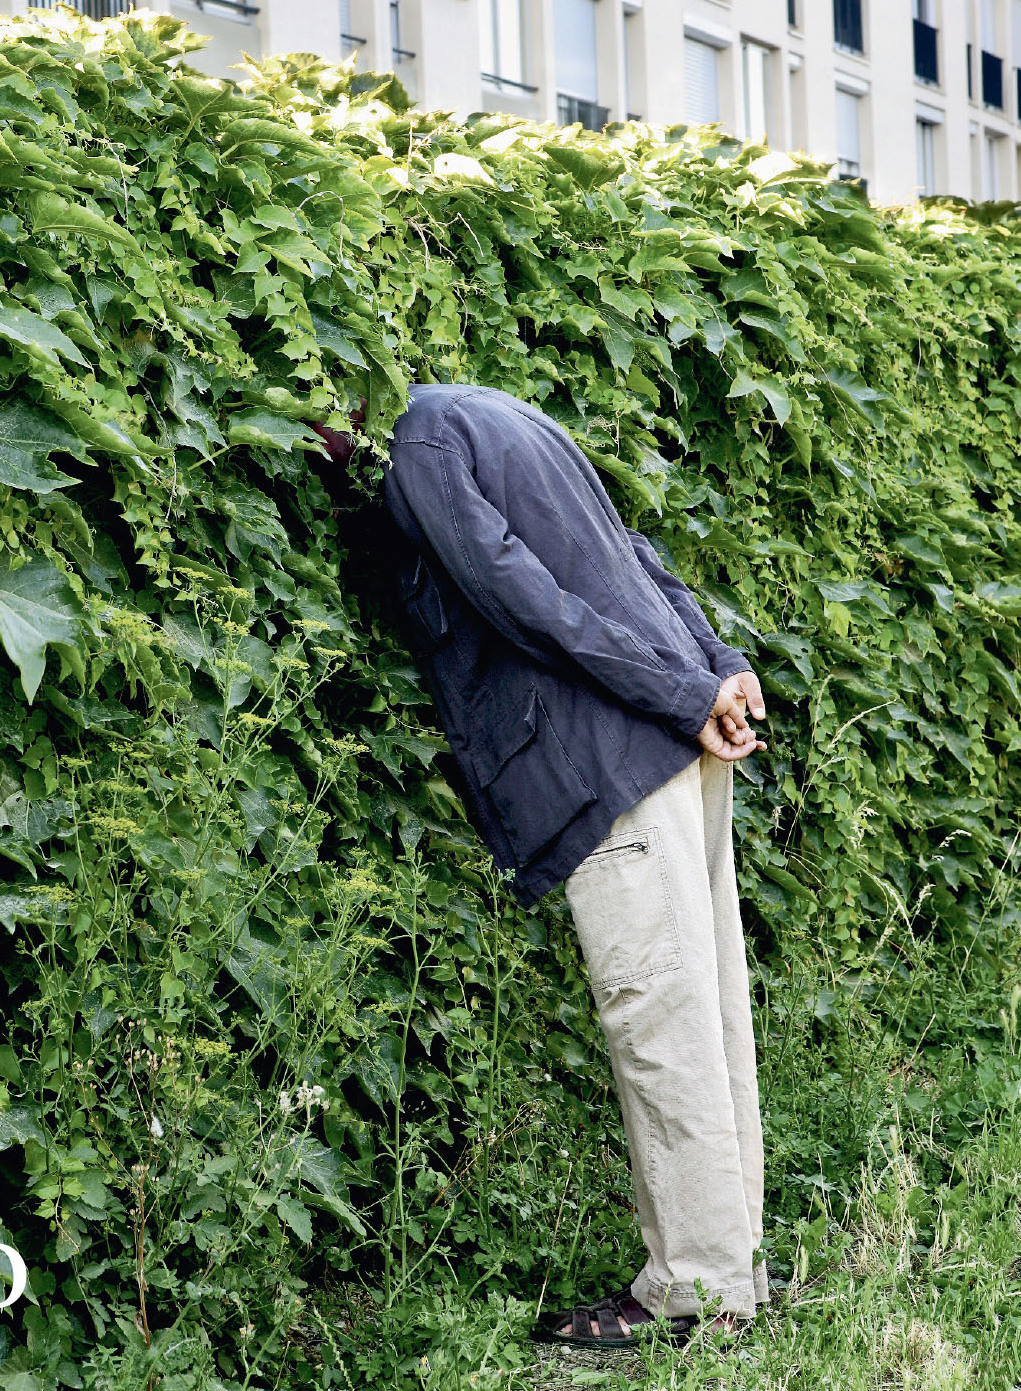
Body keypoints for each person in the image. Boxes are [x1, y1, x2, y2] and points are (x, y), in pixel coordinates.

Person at [315, 380, 768, 1353]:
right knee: (708, 1016)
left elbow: (520, 596)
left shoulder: (421, 444)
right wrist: (713, 665)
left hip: (611, 757)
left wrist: (687, 688)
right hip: (669, 745)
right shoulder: (498, 411)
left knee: (661, 1024)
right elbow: (635, 555)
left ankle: (695, 1291)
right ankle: (728, 1276)